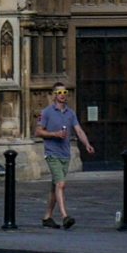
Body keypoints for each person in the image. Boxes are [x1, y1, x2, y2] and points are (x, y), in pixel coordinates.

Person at [34, 82, 94, 229]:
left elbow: (78, 130)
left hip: (65, 154)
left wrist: (86, 144)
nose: (62, 96)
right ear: (54, 95)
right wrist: (54, 134)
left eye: (65, 93)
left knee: (55, 186)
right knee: (61, 184)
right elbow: (38, 132)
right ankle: (65, 216)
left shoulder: (70, 113)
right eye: (59, 93)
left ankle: (47, 217)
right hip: (52, 153)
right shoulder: (46, 112)